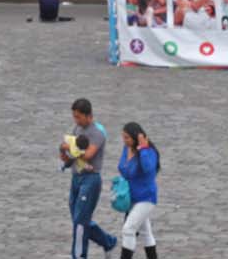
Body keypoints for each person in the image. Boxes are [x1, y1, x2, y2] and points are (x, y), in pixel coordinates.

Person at [58, 97, 116, 259]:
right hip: (76, 178)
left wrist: (69, 147)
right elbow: (70, 153)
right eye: (74, 116)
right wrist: (65, 155)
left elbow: (89, 155)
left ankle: (78, 255)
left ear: (88, 115)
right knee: (79, 220)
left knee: (80, 223)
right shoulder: (77, 129)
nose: (75, 120)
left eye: (78, 116)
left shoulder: (97, 133)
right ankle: (107, 241)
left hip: (91, 180)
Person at [117, 121, 160, 259]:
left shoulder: (150, 152)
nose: (124, 141)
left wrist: (143, 148)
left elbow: (148, 168)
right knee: (146, 233)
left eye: (127, 138)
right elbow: (123, 168)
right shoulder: (126, 148)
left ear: (136, 137)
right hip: (133, 198)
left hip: (146, 198)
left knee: (128, 229)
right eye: (123, 137)